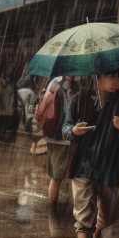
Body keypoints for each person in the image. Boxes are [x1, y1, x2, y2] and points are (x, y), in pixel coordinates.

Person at [63, 68, 119, 238]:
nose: (116, 81)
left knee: (110, 216)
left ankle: (98, 230)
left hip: (111, 168)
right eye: (111, 75)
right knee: (83, 219)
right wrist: (73, 131)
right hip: (84, 167)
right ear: (98, 76)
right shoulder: (79, 99)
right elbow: (65, 128)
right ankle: (89, 237)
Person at [37, 76, 79, 209]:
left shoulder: (53, 83)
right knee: (63, 176)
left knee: (56, 176)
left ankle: (55, 209)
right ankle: (55, 211)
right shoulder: (70, 87)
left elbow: (42, 109)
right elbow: (70, 112)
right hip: (63, 137)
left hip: (51, 133)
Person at [0, 72, 18, 143]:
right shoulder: (8, 87)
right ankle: (2, 135)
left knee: (1, 123)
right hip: (4, 109)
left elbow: (11, 98)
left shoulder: (5, 87)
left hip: (3, 109)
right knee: (2, 123)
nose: (6, 80)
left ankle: (2, 135)